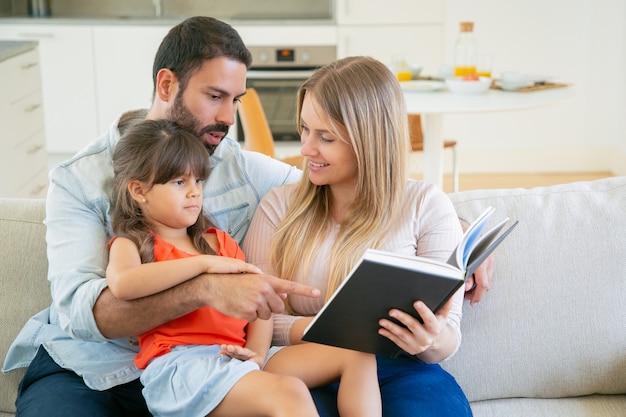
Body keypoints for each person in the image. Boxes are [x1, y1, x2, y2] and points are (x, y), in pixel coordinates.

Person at [2, 16, 492, 417]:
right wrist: (205, 283)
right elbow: (90, 313)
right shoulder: (80, 179)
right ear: (167, 84)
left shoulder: (238, 166)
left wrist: (462, 244)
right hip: (92, 366)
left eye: (235, 100)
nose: (227, 118)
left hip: (214, 363)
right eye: (215, 97)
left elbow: (344, 178)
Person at [242, 55, 474, 416]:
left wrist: (430, 338)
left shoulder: (426, 205)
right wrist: (338, 337)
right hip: (305, 372)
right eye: (304, 129)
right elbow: (258, 320)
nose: (305, 149)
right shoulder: (278, 208)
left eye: (326, 137)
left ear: (370, 140)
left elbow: (448, 338)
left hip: (403, 372)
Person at [106, 118, 381, 416]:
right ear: (138, 190)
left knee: (357, 354)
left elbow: (260, 307)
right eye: (178, 182)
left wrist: (256, 357)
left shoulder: (220, 243)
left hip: (239, 357)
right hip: (183, 366)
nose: (194, 192)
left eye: (198, 181)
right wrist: (203, 264)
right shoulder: (133, 244)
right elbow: (123, 284)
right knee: (289, 391)